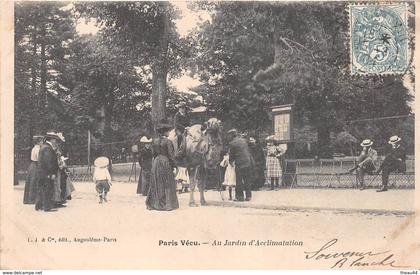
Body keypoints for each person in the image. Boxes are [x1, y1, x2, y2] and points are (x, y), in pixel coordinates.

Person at [146, 122, 179, 211]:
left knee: (156, 181)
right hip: (165, 162)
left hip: (156, 162)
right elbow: (171, 155)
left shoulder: (155, 141)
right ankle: (167, 204)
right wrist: (175, 166)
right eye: (168, 131)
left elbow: (153, 154)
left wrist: (157, 160)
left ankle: (154, 203)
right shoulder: (168, 142)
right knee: (167, 182)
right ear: (164, 132)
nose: (169, 133)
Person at [35, 131, 65, 212]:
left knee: (42, 188)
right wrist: (51, 173)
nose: (56, 141)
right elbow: (49, 162)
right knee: (48, 188)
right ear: (51, 140)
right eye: (55, 139)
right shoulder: (47, 148)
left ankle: (39, 206)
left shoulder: (44, 146)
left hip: (42, 173)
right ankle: (47, 207)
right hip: (47, 173)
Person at [227, 129, 253, 201]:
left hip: (240, 163)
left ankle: (240, 197)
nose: (228, 137)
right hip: (248, 162)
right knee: (247, 179)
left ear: (232, 135)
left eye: (229, 135)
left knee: (239, 180)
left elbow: (231, 155)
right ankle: (248, 196)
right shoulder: (243, 140)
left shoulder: (232, 143)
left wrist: (230, 162)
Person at [23, 135, 43, 204]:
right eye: (41, 141)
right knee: (34, 182)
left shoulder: (34, 148)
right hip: (36, 165)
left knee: (31, 182)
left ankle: (29, 199)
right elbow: (39, 158)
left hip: (32, 165)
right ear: (38, 142)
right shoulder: (37, 149)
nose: (42, 142)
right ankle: (32, 199)